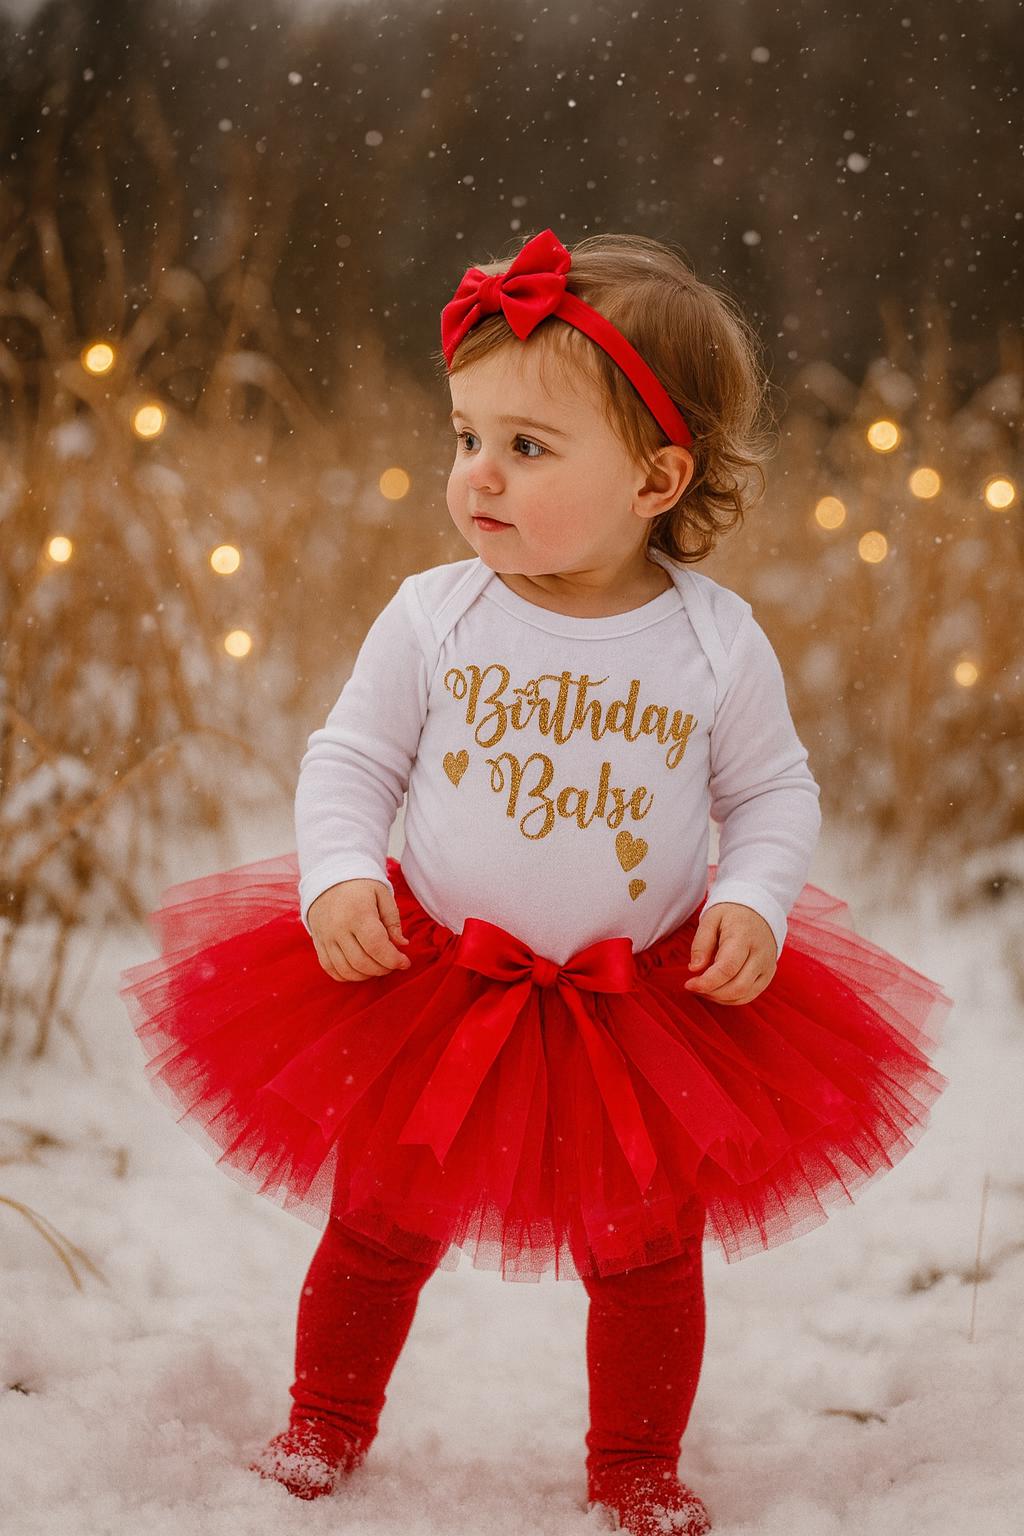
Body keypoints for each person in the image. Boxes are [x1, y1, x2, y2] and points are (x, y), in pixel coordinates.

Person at [118, 228, 953, 1536]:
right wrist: (340, 872)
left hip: (639, 1006)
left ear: (656, 476)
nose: (477, 476)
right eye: (465, 437)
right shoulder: (436, 614)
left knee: (645, 1251)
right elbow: (352, 757)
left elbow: (772, 794)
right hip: (438, 978)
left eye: (528, 446)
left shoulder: (712, 644)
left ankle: (633, 1467)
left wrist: (756, 895)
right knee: (381, 1223)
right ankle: (323, 1423)